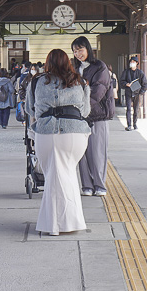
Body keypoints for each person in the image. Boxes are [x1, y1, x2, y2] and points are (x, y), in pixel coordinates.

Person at [25, 48, 91, 236]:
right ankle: (71, 221)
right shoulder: (80, 81)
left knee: (53, 176)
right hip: (75, 135)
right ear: (68, 62)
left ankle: (53, 224)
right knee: (67, 173)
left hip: (47, 133)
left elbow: (30, 109)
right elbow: (85, 111)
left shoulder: (37, 81)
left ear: (47, 63)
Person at [71, 36, 114, 197]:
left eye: (80, 50)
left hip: (97, 116)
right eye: (75, 51)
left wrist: (82, 108)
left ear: (88, 49)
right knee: (81, 153)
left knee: (97, 152)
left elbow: (98, 92)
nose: (78, 54)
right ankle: (87, 186)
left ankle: (99, 185)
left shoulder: (99, 67)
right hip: (79, 116)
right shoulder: (74, 68)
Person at [119, 56, 147, 131]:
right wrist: (126, 84)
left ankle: (135, 124)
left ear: (137, 63)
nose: (132, 63)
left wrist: (141, 92)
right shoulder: (126, 72)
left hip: (137, 93)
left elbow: (144, 84)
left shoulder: (140, 73)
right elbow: (121, 81)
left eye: (133, 62)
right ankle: (129, 125)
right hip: (128, 92)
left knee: (136, 109)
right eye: (131, 62)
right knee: (128, 109)